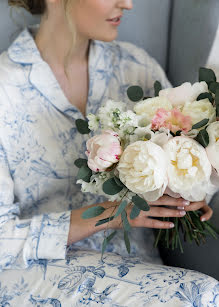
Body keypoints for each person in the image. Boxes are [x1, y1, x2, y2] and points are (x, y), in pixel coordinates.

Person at [0, 0, 218, 305]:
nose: (127, 3)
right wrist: (110, 215)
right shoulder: (4, 88)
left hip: (143, 276)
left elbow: (188, 160)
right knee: (199, 296)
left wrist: (191, 191)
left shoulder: (136, 68)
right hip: (37, 278)